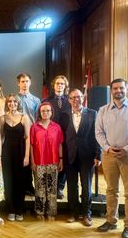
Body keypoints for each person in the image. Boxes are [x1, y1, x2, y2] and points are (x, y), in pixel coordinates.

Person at [95, 78, 128, 238]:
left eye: (121, 88)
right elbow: (99, 133)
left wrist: (126, 149)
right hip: (109, 155)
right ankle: (111, 220)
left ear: (127, 88)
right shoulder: (103, 110)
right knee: (111, 190)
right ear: (111, 91)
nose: (118, 91)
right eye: (115, 88)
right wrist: (107, 148)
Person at [59, 88, 101, 226]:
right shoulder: (64, 115)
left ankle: (86, 213)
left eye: (78, 97)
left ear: (83, 98)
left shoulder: (93, 114)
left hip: (87, 156)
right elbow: (62, 138)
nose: (76, 100)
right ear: (69, 100)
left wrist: (98, 154)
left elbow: (97, 136)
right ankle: (73, 212)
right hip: (70, 156)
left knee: (86, 186)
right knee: (71, 186)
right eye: (72, 98)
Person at [0, 94, 31, 222]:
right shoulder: (2, 118)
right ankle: (10, 209)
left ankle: (19, 209)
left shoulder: (24, 117)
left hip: (21, 151)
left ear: (18, 103)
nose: (12, 103)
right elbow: (0, 138)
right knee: (8, 181)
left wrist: (27, 155)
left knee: (20, 181)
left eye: (14, 101)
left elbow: (27, 138)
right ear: (7, 103)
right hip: (7, 151)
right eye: (10, 101)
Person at [30, 102, 63, 221]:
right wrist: (32, 162)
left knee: (52, 188)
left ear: (51, 112)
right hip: (39, 162)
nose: (45, 113)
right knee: (40, 188)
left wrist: (61, 159)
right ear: (39, 113)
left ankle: (51, 212)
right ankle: (39, 211)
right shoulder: (34, 127)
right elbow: (32, 145)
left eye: (48, 111)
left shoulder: (57, 127)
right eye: (43, 111)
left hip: (53, 162)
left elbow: (60, 144)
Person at [45, 75, 71, 199]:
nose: (59, 85)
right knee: (51, 160)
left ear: (65, 86)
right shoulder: (47, 101)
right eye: (57, 83)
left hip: (67, 136)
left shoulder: (70, 100)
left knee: (63, 161)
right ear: (53, 85)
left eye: (62, 83)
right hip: (51, 137)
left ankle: (60, 187)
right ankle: (50, 186)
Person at [16, 72, 40, 196]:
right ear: (18, 83)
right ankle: (19, 185)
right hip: (17, 133)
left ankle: (29, 185)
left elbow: (37, 118)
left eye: (27, 81)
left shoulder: (36, 100)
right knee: (19, 159)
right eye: (22, 81)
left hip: (31, 133)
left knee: (30, 159)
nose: (25, 84)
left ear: (30, 83)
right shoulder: (14, 99)